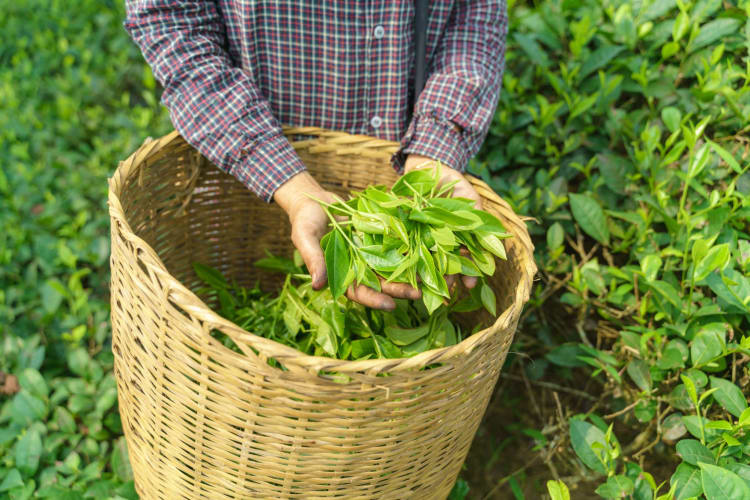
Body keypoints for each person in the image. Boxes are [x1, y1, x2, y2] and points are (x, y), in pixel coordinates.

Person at [125, 0, 508, 310]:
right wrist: (287, 182)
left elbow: (476, 15)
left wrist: (433, 152)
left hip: (405, 169)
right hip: (245, 173)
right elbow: (171, 20)